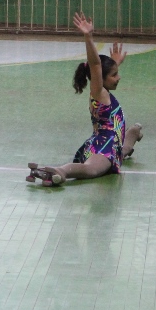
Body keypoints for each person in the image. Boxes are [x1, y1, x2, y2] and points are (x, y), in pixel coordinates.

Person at [27, 11, 143, 187]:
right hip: (103, 147)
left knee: (124, 148)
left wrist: (115, 63)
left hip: (113, 144)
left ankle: (133, 133)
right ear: (100, 79)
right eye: (114, 75)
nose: (118, 78)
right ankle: (61, 171)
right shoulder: (99, 92)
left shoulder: (103, 89)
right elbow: (96, 64)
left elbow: (101, 71)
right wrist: (88, 36)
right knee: (92, 170)